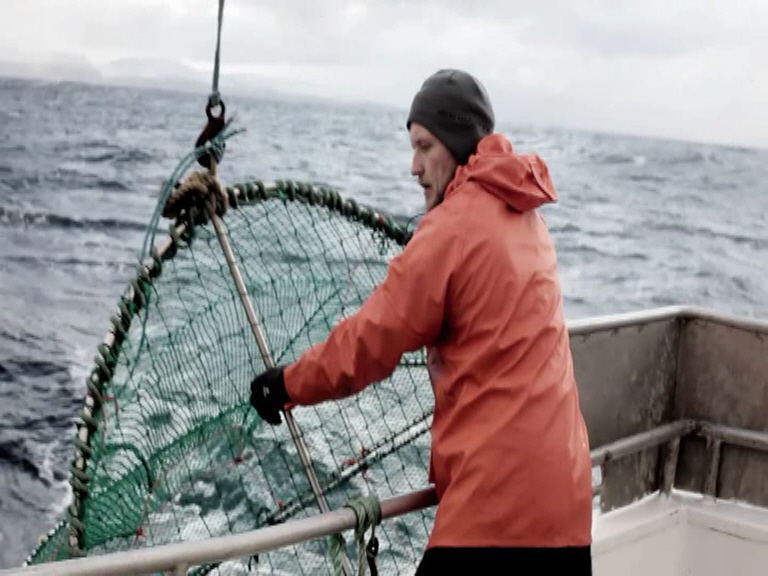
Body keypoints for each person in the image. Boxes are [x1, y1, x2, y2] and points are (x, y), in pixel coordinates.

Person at [250, 69, 593, 574]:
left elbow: (369, 343)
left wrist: (286, 384)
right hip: (567, 510)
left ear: (457, 143)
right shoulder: (528, 217)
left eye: (425, 146)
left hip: (494, 513)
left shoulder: (451, 229)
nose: (414, 167)